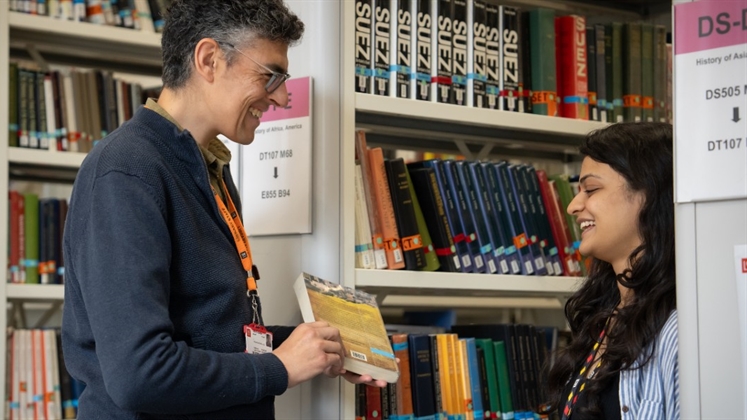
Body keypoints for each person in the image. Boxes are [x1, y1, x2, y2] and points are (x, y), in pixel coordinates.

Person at [61, 1, 384, 418]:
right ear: (209, 59)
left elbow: (212, 333)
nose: (283, 97)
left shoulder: (206, 164)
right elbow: (141, 375)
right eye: (270, 75)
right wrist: (280, 369)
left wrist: (316, 346)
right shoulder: (127, 171)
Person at [545, 122, 678, 419]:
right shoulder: (604, 319)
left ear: (650, 195)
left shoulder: (681, 330)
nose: (573, 206)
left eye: (591, 189)